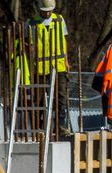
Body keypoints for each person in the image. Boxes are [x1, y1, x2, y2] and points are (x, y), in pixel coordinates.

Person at [26, 0, 71, 138]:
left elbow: (64, 41)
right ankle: (38, 129)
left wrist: (67, 61)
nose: (47, 13)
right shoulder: (31, 23)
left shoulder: (59, 20)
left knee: (61, 98)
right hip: (39, 68)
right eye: (44, 11)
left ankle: (60, 127)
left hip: (59, 66)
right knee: (38, 99)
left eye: (49, 10)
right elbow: (28, 46)